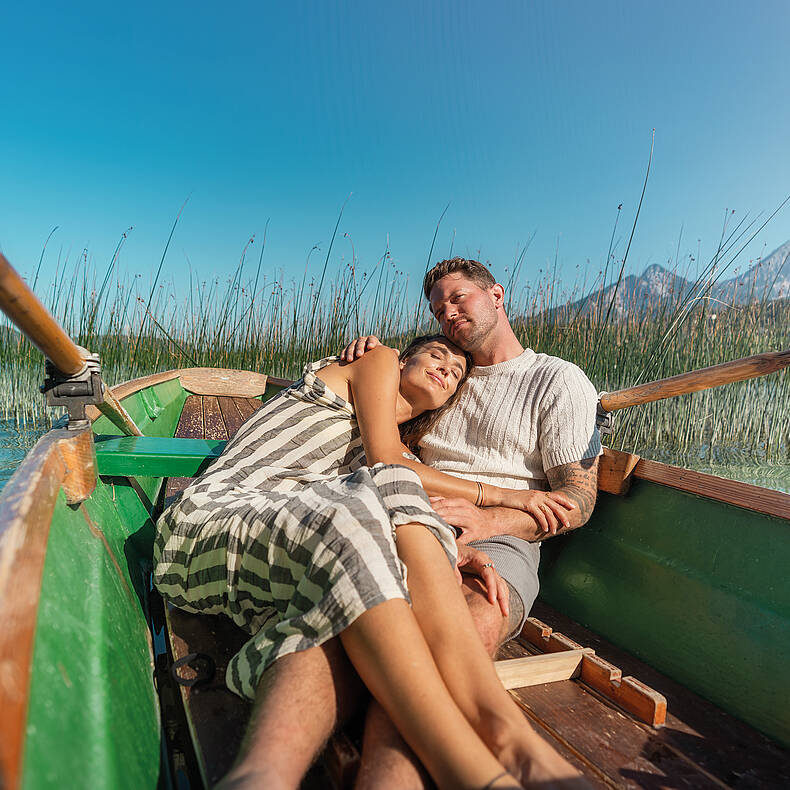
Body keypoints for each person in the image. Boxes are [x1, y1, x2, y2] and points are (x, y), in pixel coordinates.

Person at [153, 334, 585, 790]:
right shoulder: (375, 362)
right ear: (403, 359)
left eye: (457, 373)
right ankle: (472, 759)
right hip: (207, 523)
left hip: (274, 547)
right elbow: (386, 462)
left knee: (384, 522)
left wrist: (450, 547)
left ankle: (262, 780)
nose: (447, 369)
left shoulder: (396, 452)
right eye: (436, 355)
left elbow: (391, 473)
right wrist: (504, 495)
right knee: (386, 485)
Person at [337, 257, 602, 788]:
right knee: (369, 614)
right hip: (408, 510)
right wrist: (369, 354)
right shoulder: (440, 372)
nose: (448, 312)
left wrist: (488, 519)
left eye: (459, 298)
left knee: (468, 624)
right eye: (438, 309)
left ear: (497, 294)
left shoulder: (555, 379)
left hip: (501, 533)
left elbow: (577, 498)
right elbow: (376, 417)